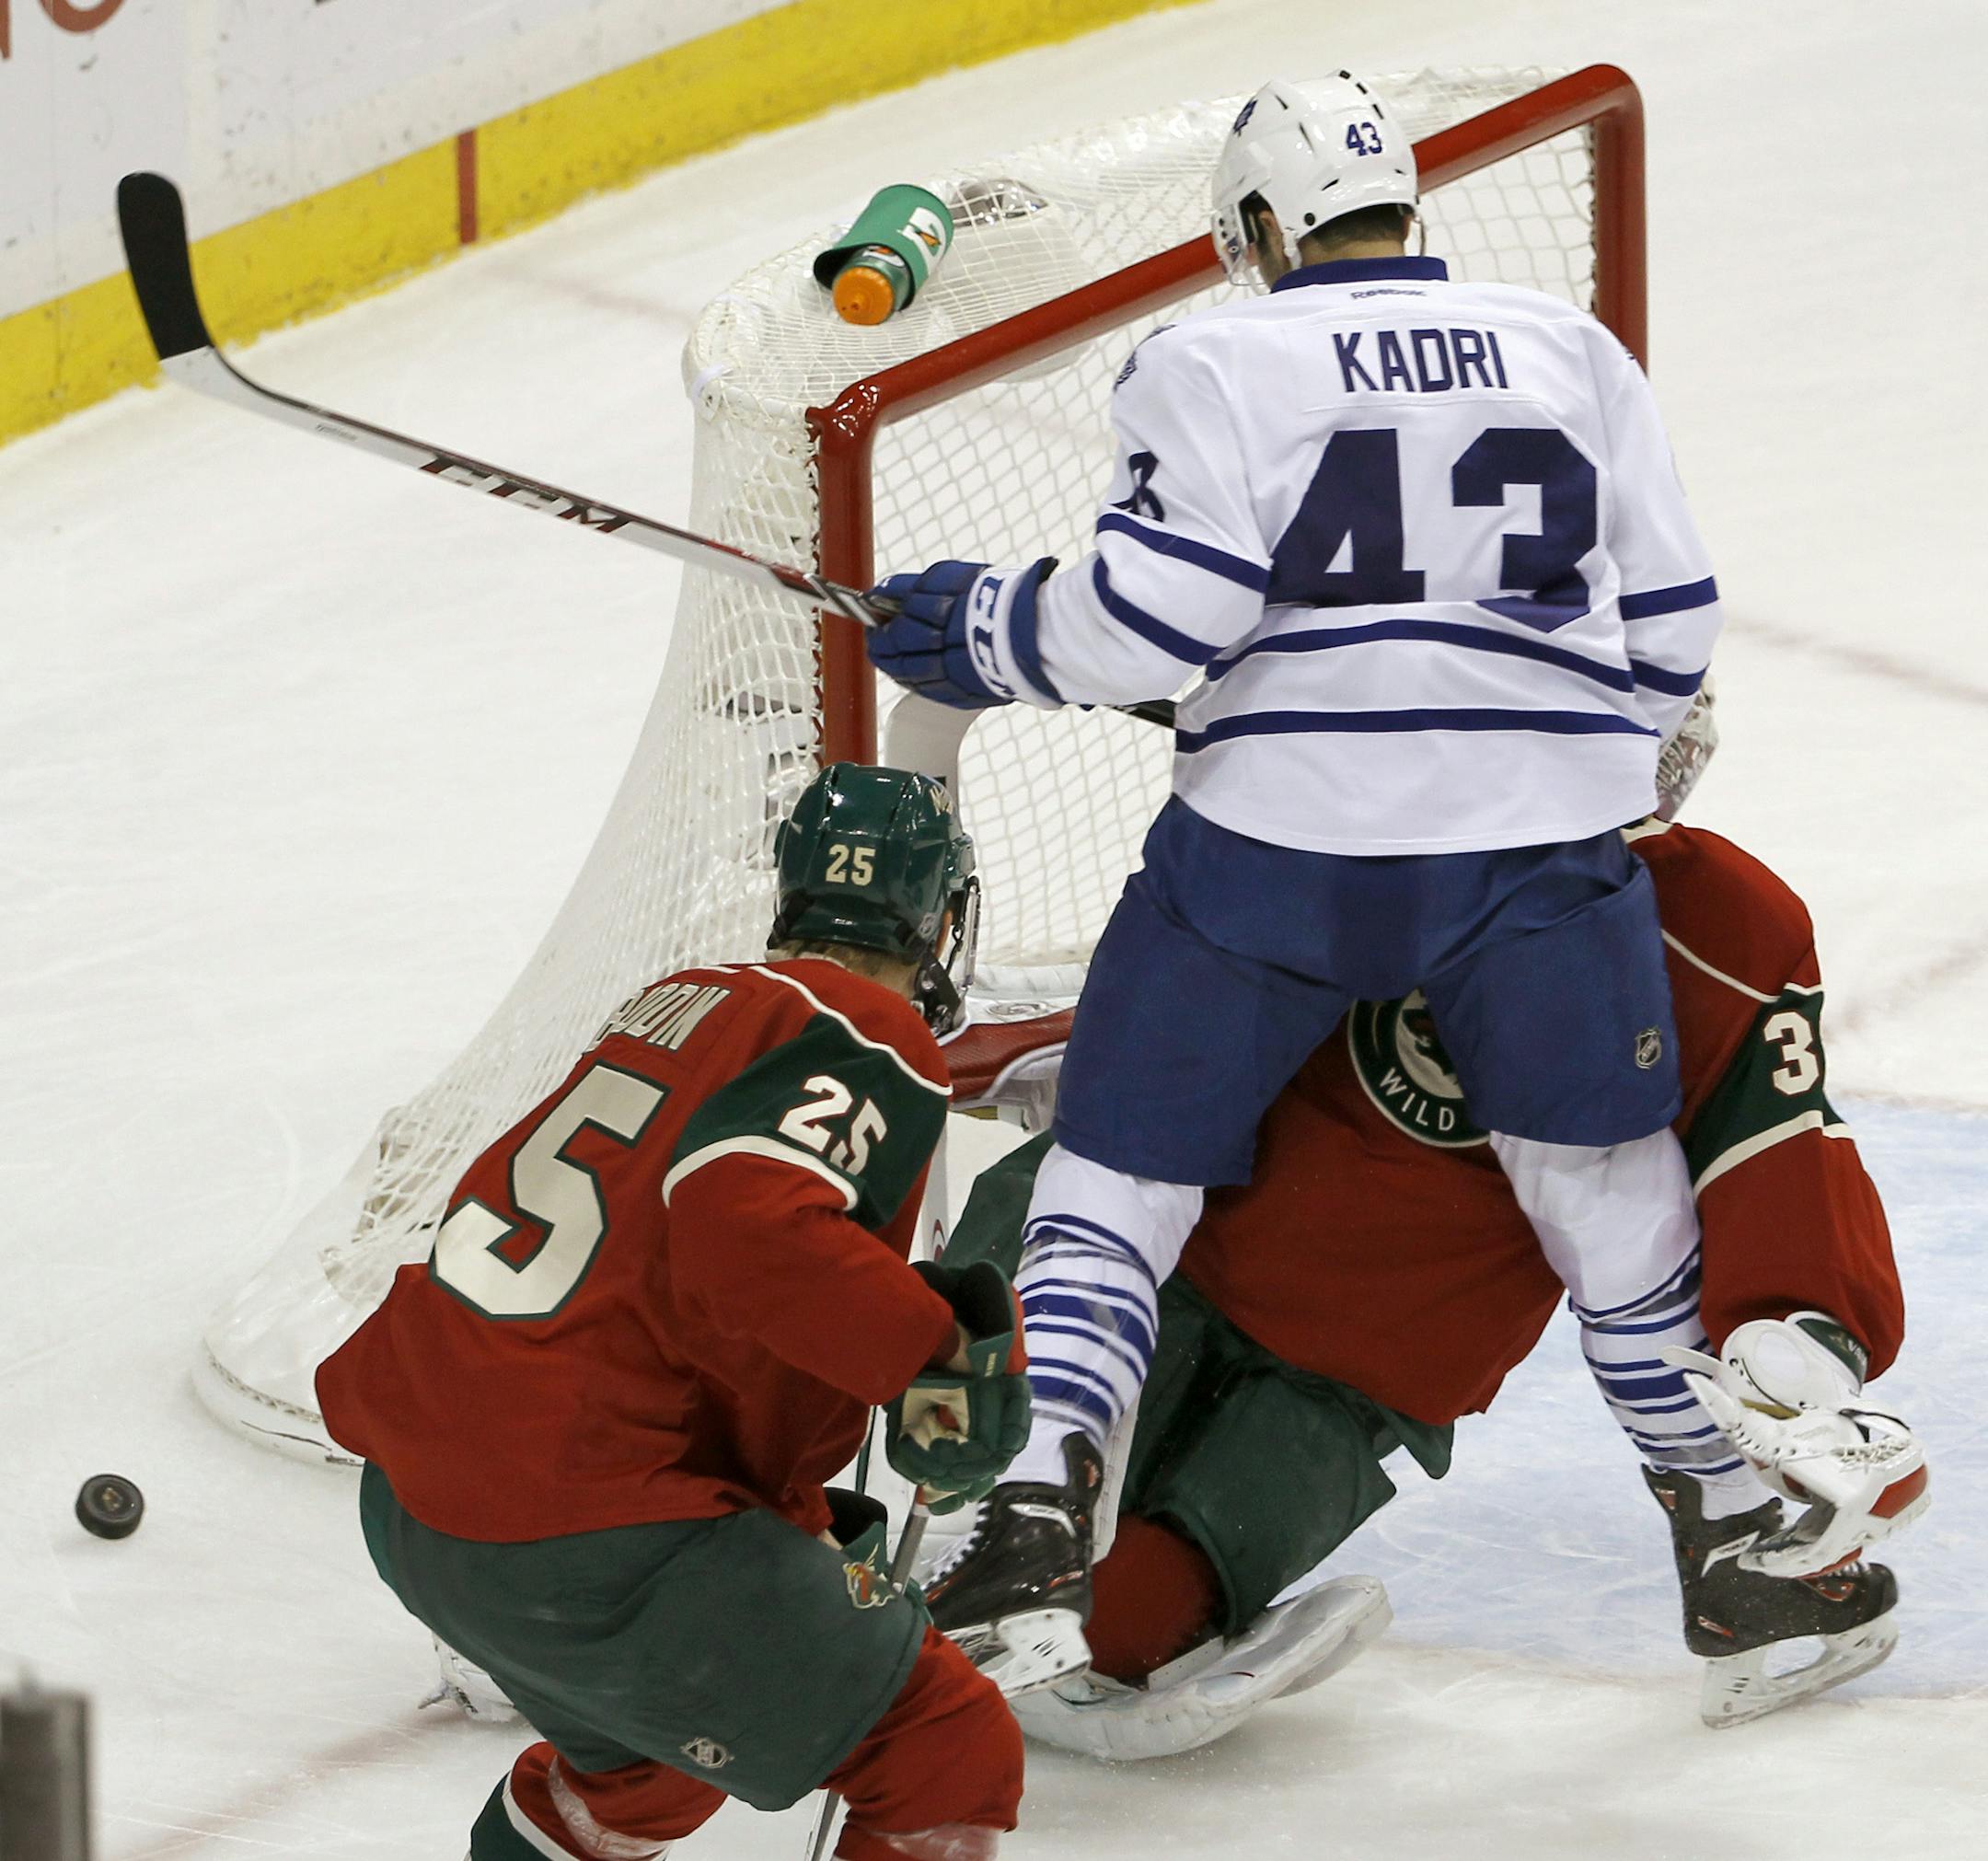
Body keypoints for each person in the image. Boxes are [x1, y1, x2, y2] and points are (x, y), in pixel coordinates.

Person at [863, 72, 1729, 1685]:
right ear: (1409, 205)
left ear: (1264, 226)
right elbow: (1673, 630)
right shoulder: (1570, 351)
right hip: (1535, 854)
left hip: (1280, 850)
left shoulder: (1211, 355)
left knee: (1117, 1177)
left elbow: (1156, 620)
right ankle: (1746, 1534)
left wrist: (982, 625)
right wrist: (1534, 755)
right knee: (1603, 1192)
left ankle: (1040, 1513)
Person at [930, 726, 1927, 1751]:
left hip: (1355, 1369)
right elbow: (1189, 1012)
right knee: (950, 1495)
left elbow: (1773, 1150)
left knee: (1126, 1621)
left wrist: (1806, 1341)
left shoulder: (1720, 928)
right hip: (1178, 1259)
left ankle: (1739, 1560)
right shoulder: (1364, 821)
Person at [314, 763, 1034, 1861]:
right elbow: (745, 1224)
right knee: (943, 1747)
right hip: (588, 1525)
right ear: (938, 914)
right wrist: (932, 1360)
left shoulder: (687, 1000)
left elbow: (660, 1278)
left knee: (646, 1776)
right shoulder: (870, 1026)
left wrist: (780, 1514)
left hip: (420, 1508)